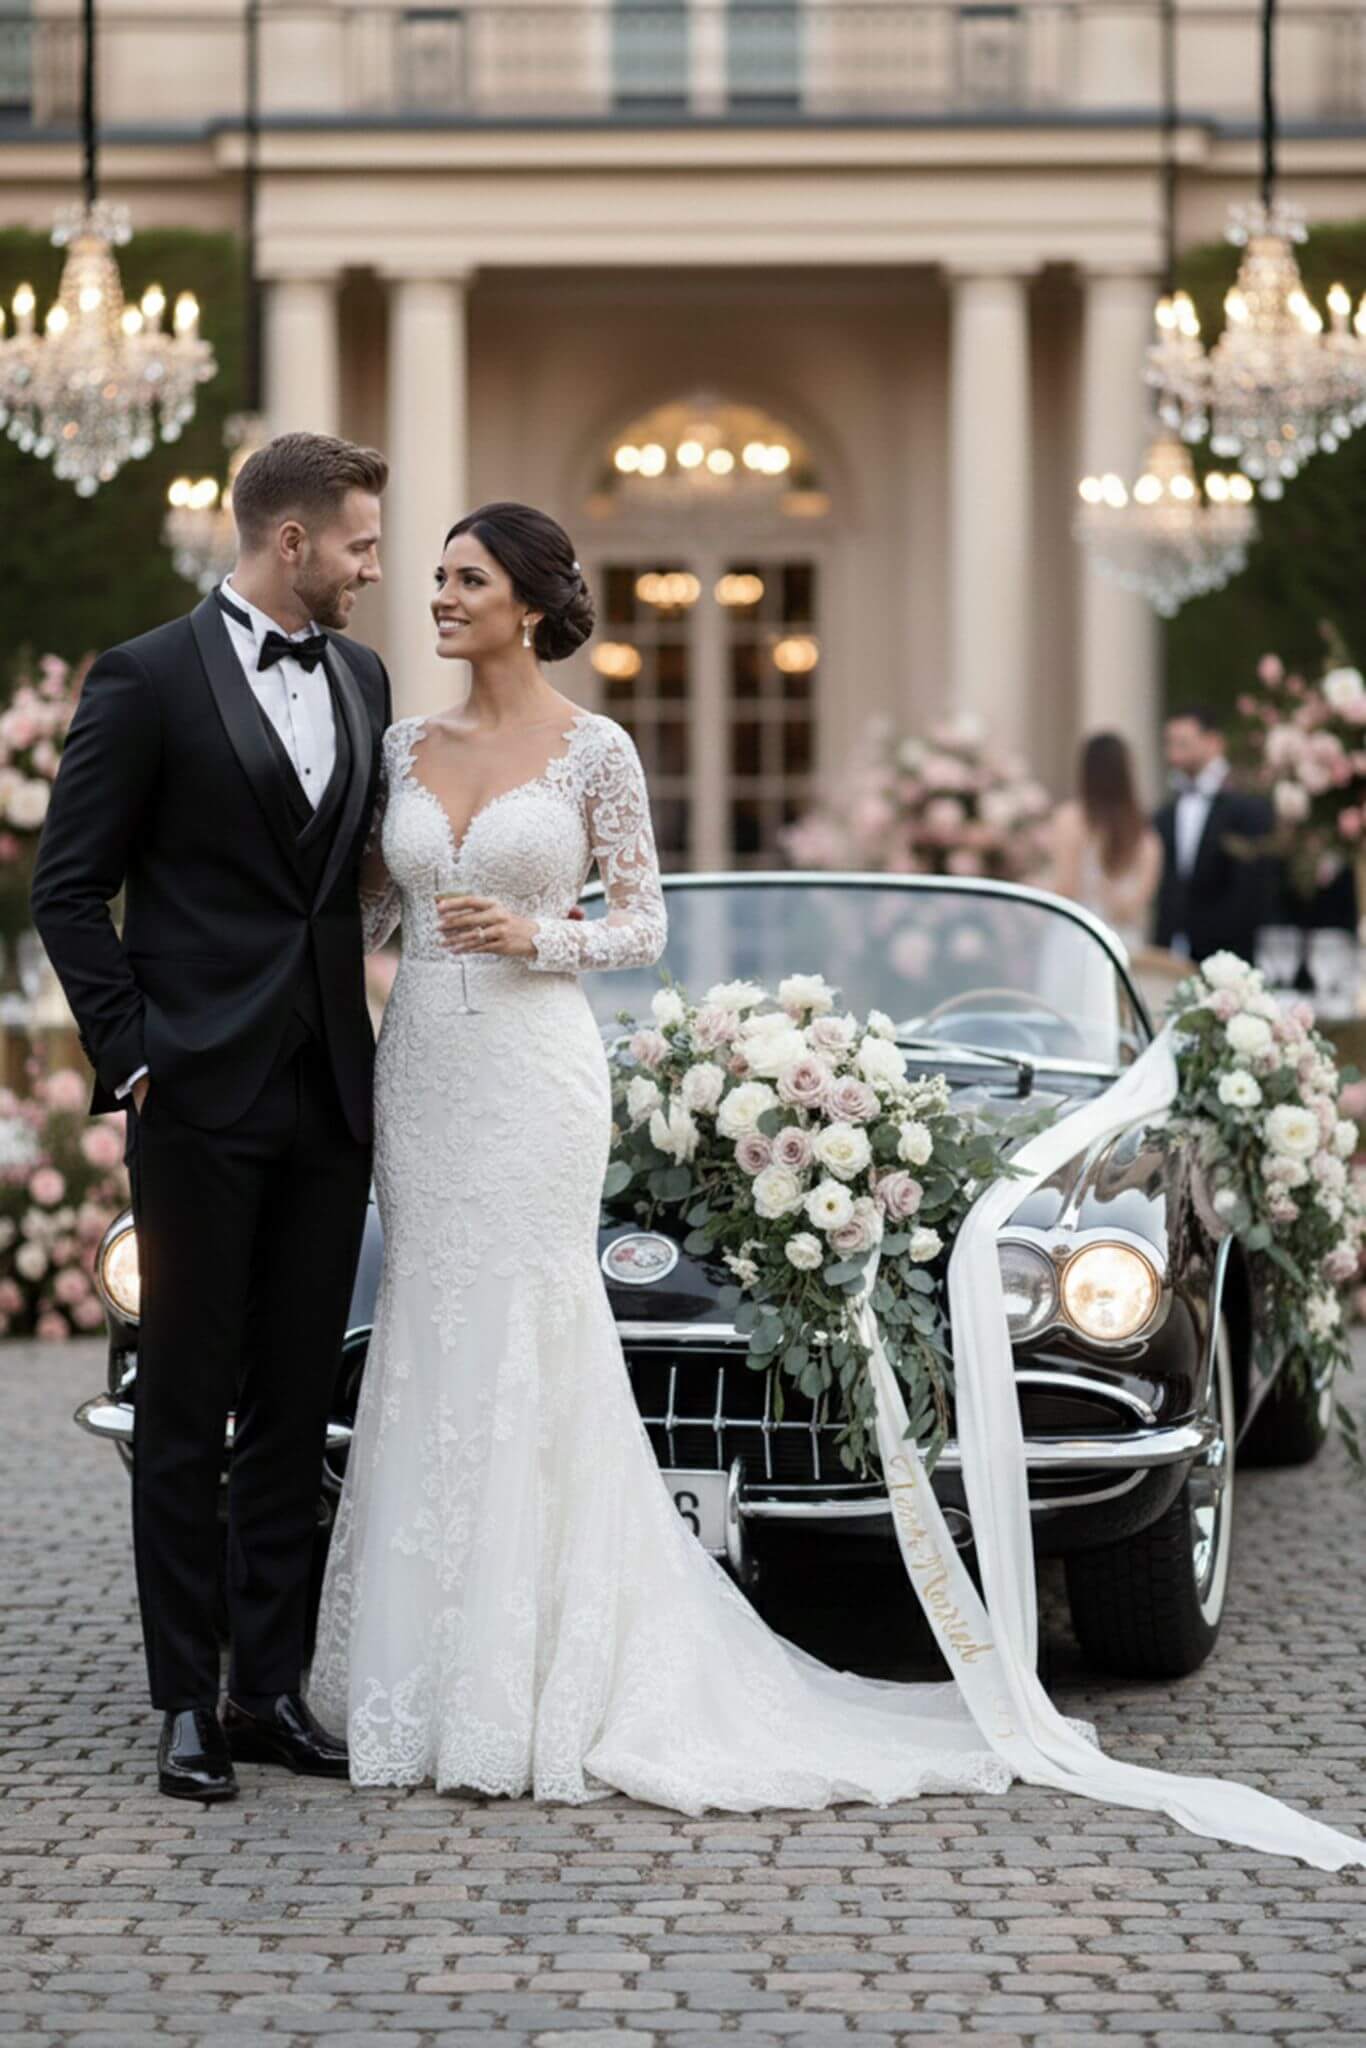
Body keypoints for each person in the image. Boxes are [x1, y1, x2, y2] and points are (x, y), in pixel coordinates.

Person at [32, 433, 393, 1802]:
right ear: (289, 543)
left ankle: (268, 1692)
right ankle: (183, 1700)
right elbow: (70, 889)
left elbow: (346, 883)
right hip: (193, 1097)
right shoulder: (144, 678)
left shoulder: (360, 677)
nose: (374, 568)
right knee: (184, 1408)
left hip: (327, 1099)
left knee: (297, 1411)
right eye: (358, 543)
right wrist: (133, 1057)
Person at [1154, 706, 1272, 965]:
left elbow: (1251, 890)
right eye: (1170, 743)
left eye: (1183, 743)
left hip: (1229, 957)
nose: (1173, 753)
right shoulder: (1165, 813)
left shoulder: (1248, 804)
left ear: (1213, 742)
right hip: (1171, 952)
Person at [1048, 732, 1163, 953]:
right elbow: (1136, 906)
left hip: (1077, 938)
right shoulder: (1145, 835)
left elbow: (1066, 887)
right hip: (1124, 944)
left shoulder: (1071, 819)